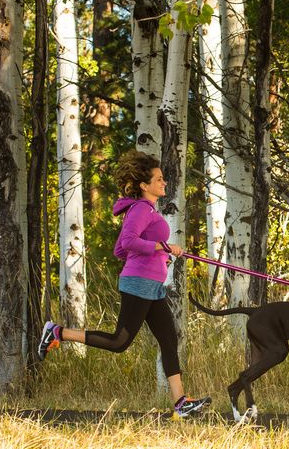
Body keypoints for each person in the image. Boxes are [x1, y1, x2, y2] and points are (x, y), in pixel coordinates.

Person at [37, 150, 210, 418]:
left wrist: (159, 255)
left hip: (151, 285)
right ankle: (56, 332)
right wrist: (161, 247)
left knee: (168, 339)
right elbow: (129, 243)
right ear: (145, 185)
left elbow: (120, 250)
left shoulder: (146, 210)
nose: (164, 183)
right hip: (139, 284)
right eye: (160, 179)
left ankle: (180, 403)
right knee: (120, 342)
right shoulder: (141, 209)